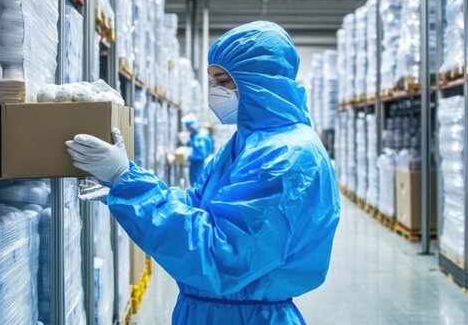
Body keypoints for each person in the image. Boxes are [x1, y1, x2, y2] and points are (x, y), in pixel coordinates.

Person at [65, 21, 340, 324]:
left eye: (223, 81)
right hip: (213, 310)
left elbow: (221, 256)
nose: (214, 92)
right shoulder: (244, 144)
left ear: (261, 82)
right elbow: (197, 205)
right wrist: (127, 185)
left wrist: (127, 182)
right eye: (212, 82)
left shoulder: (286, 157)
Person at [182, 115, 214, 185]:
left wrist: (187, 157)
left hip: (200, 168)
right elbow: (194, 145)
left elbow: (201, 154)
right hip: (199, 167)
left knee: (199, 188)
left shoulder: (200, 137)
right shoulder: (198, 134)